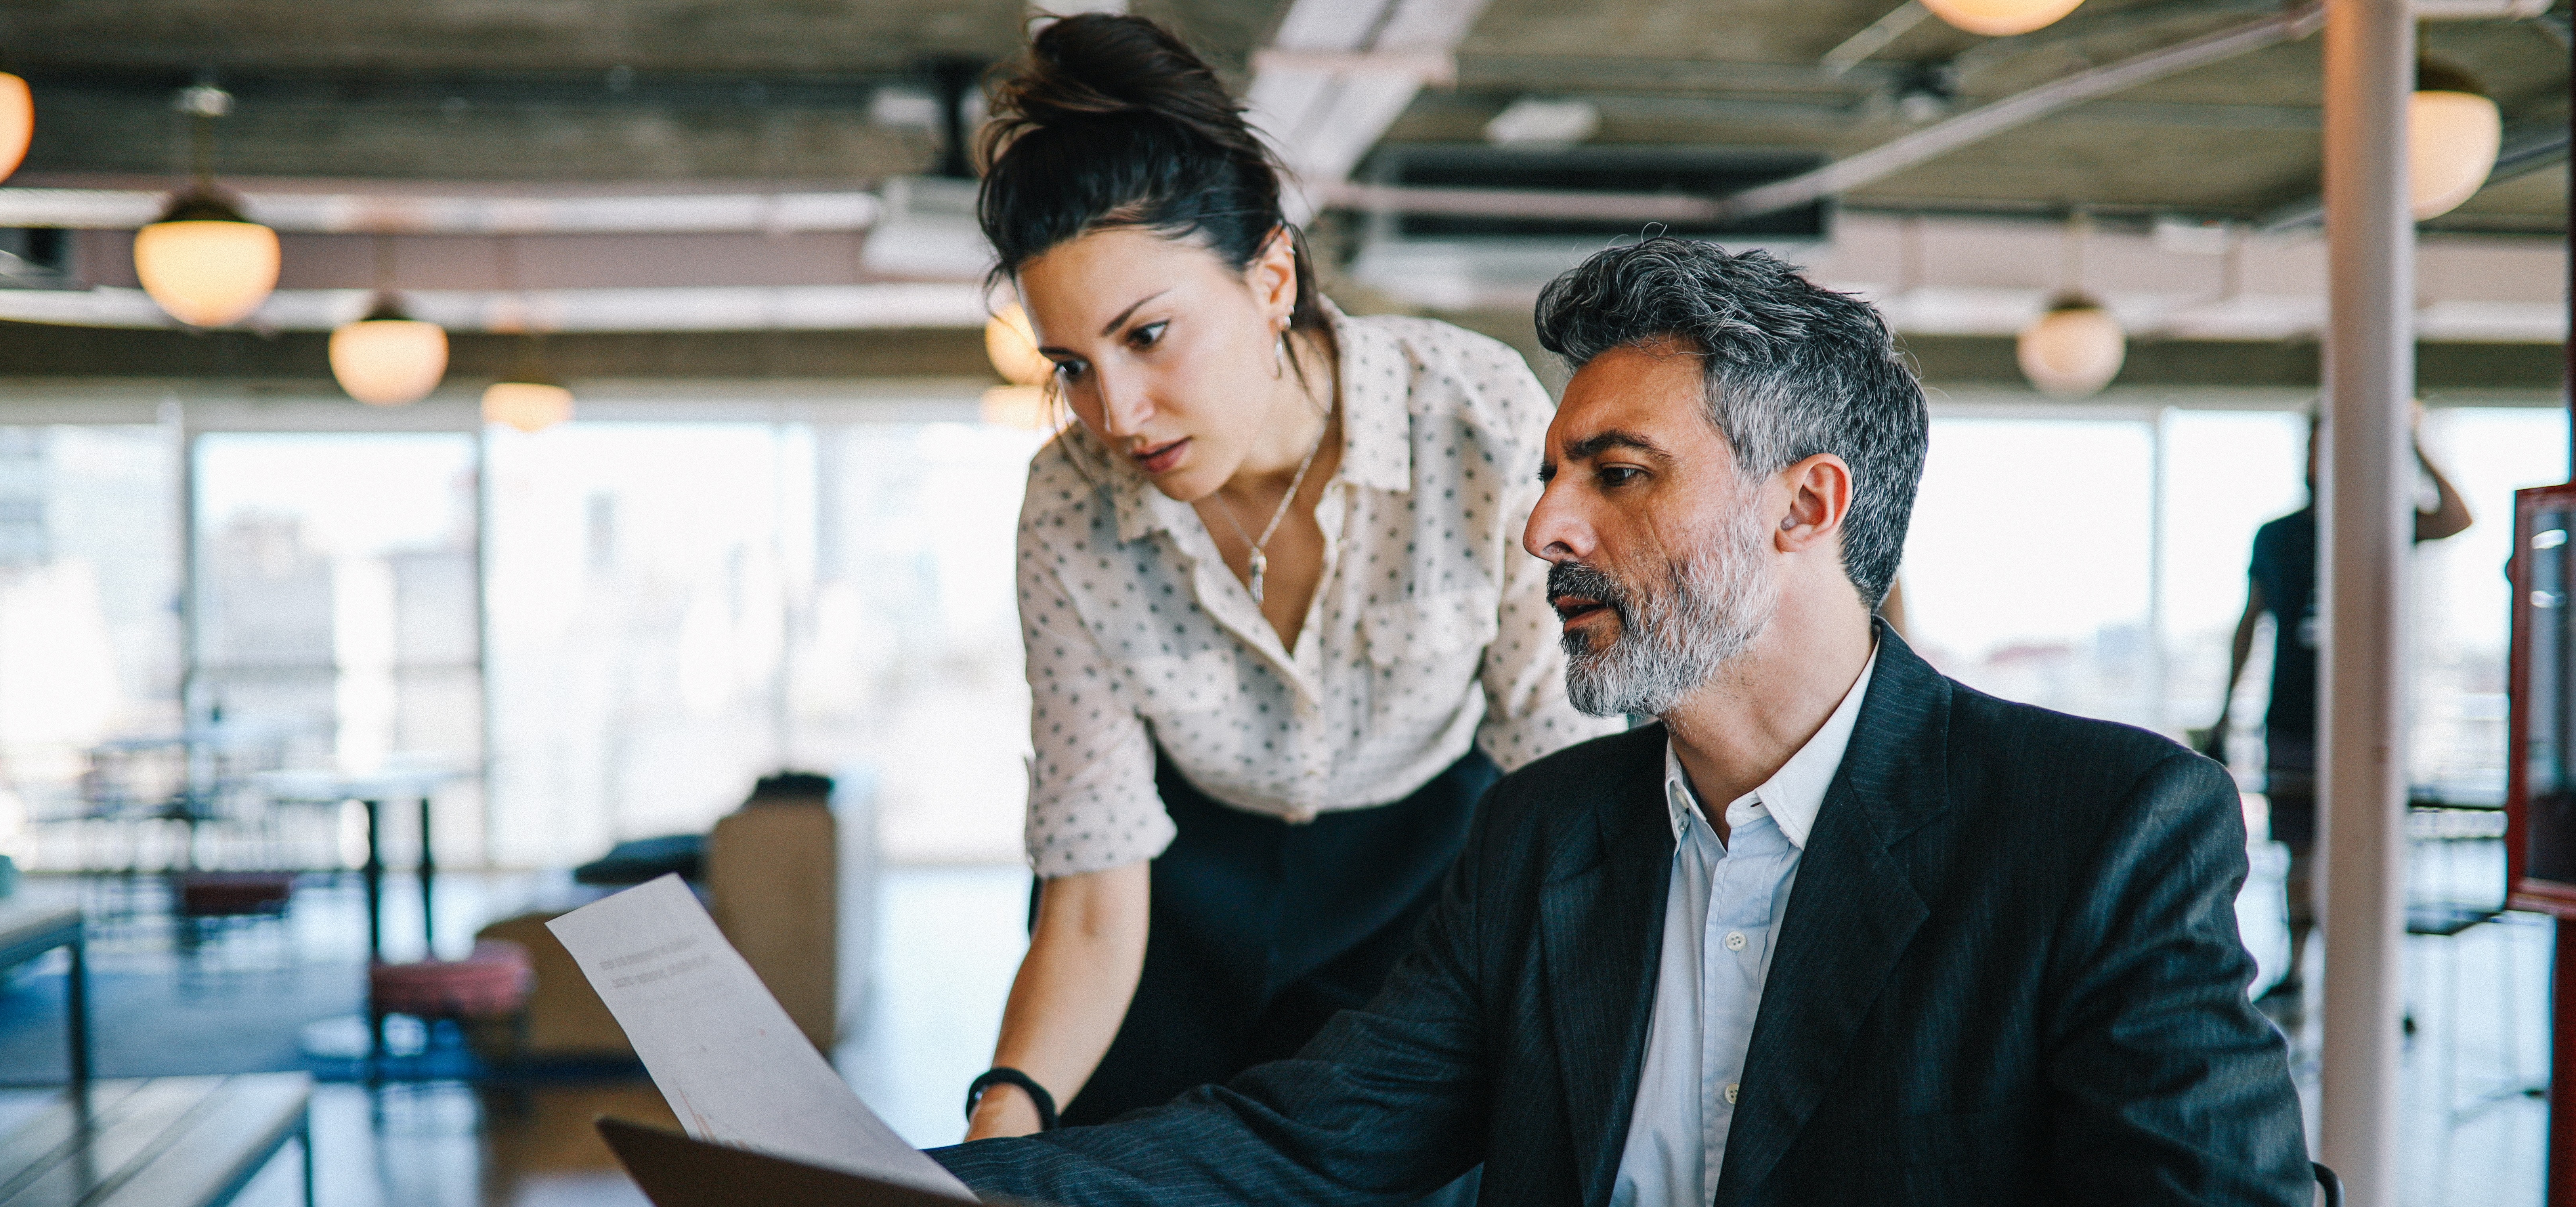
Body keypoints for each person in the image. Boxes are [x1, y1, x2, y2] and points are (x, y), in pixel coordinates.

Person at [931, 237, 2308, 1206]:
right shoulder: (1539, 833)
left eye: (1618, 473)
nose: (1542, 527)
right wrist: (898, 1181)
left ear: (1805, 506)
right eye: (1549, 475)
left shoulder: (2097, 829)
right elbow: (1305, 1136)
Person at [961, 14, 1615, 1145]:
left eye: (1150, 334)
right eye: (1072, 365)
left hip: (1425, 890)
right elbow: (1092, 896)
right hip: (1172, 908)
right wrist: (999, 1117)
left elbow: (1559, 777)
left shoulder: (1470, 412)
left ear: (1269, 279)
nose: (1116, 414)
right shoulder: (1069, 504)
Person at [2209, 409, 2471, 998]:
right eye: (2313, 447)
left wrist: (2410, 442)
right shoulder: (2277, 535)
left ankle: (2369, 986)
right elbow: (2251, 622)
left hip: (2367, 721)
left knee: (2364, 851)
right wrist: (2228, 709)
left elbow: (2457, 516)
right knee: (2298, 847)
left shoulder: (2380, 522)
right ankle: (2300, 966)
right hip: (2293, 716)